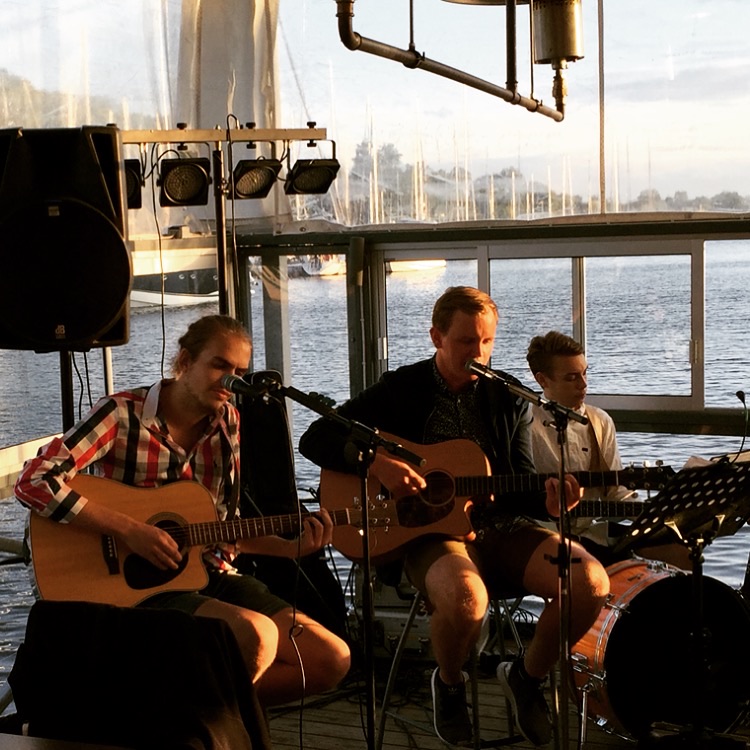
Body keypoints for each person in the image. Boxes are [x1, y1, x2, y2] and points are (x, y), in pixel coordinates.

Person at [299, 287, 609, 747]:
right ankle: (448, 684)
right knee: (467, 598)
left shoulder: (508, 397)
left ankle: (527, 676)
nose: (478, 353)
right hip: (428, 534)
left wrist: (549, 503)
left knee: (590, 582)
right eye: (466, 341)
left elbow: (519, 482)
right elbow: (315, 437)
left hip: (498, 527)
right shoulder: (402, 388)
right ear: (437, 338)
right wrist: (376, 463)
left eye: (486, 341)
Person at [14, 314, 350, 708]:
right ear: (186, 361)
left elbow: (221, 530)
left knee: (330, 660)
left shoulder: (228, 423)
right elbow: (34, 480)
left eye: (240, 372)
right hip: (135, 588)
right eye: (220, 366)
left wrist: (291, 549)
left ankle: (179, 709)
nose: (230, 382)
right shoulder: (121, 414)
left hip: (205, 574)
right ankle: (199, 722)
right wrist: (130, 530)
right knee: (256, 635)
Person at [526, 330, 690, 569]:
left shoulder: (599, 421)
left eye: (585, 373)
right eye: (572, 378)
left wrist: (654, 514)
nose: (584, 384)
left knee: (682, 550)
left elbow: (616, 491)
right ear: (543, 380)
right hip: (544, 536)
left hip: (593, 532)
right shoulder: (526, 425)